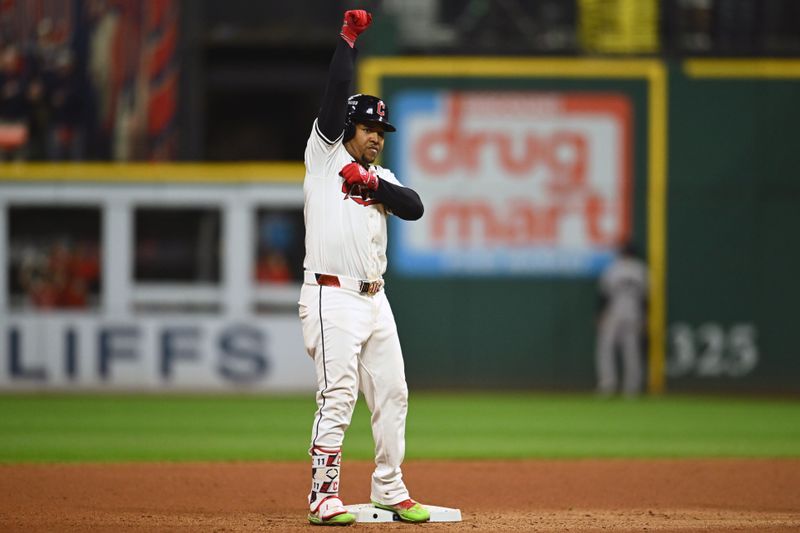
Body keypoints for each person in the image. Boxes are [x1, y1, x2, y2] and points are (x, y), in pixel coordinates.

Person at [297, 9, 428, 526]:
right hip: (332, 296)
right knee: (339, 393)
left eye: (381, 128)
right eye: (368, 126)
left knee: (393, 392)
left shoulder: (380, 174)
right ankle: (322, 494)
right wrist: (347, 40)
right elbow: (334, 91)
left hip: (376, 300)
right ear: (348, 127)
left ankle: (389, 488)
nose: (376, 135)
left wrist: (373, 184)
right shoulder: (325, 154)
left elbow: (414, 206)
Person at [595, 241, 649, 397]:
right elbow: (646, 298)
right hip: (634, 314)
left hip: (614, 314)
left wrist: (600, 314)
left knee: (606, 349)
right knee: (631, 351)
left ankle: (607, 384)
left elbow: (603, 295)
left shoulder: (614, 268)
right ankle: (632, 388)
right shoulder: (641, 270)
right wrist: (645, 316)